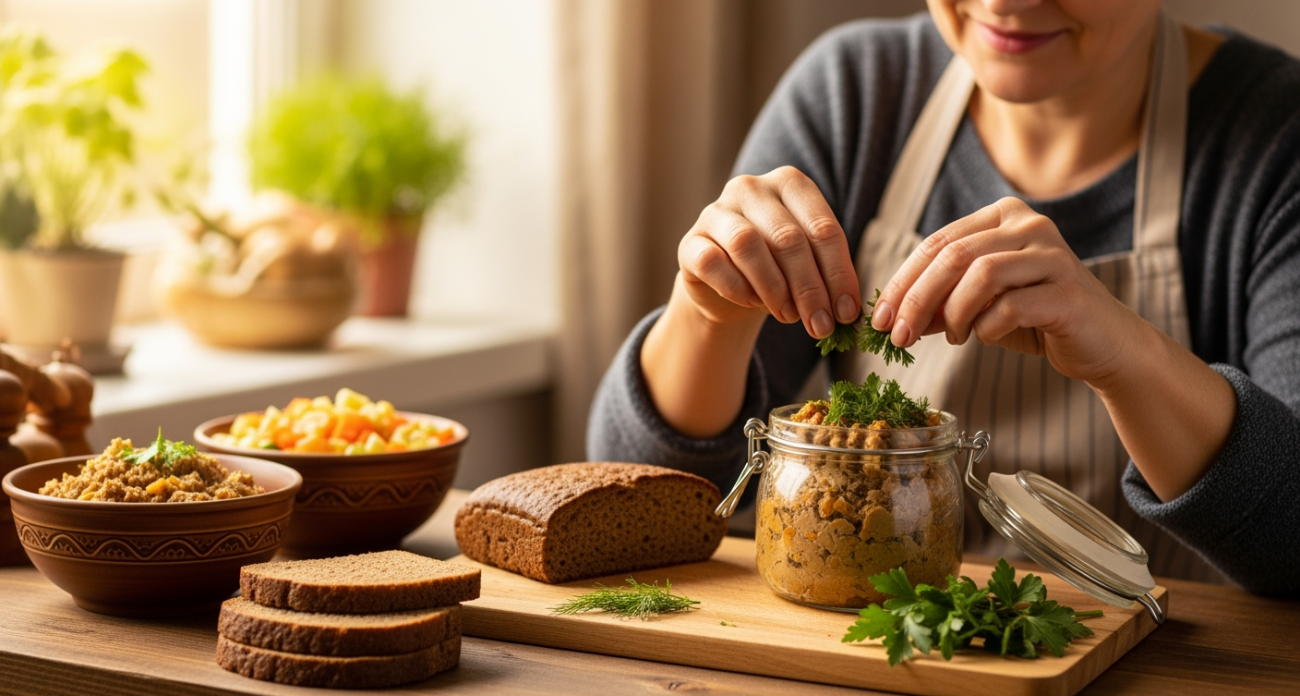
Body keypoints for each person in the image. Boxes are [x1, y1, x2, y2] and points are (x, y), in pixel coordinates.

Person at [588, 0, 1300, 594]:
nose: (1006, 2)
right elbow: (642, 499)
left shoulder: (1276, 137)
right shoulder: (857, 92)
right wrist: (708, 314)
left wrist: (1127, 353)